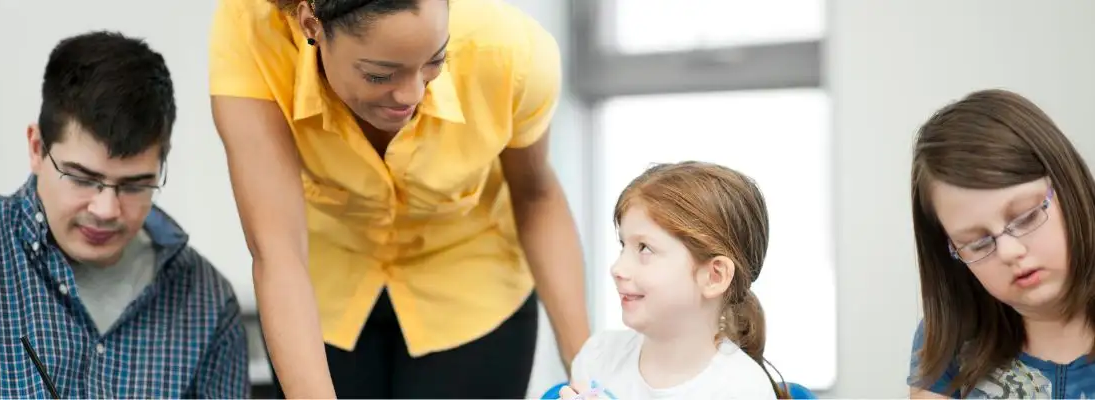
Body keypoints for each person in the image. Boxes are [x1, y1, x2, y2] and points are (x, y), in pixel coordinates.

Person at [207, 0, 589, 398]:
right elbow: (278, 250)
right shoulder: (252, 31)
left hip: (473, 289)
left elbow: (535, 196)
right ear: (311, 25)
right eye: (379, 74)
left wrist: (587, 371)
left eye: (434, 61)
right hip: (324, 291)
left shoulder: (511, 51)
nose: (412, 94)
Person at [0, 31, 248, 398]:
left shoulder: (206, 302)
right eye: (82, 178)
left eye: (135, 185)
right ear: (36, 147)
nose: (107, 210)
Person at [907, 89, 1095, 398]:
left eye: (1026, 218)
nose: (1010, 252)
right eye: (978, 244)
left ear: (1068, 186)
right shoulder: (950, 341)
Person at [561, 161, 786, 400]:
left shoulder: (743, 389)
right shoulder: (598, 357)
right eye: (623, 245)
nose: (617, 269)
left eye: (645, 248)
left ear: (714, 276)